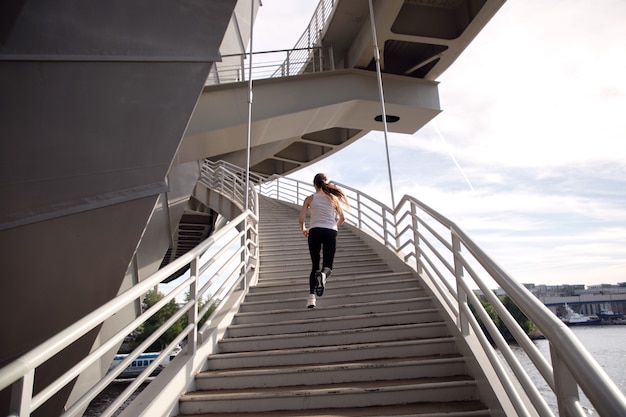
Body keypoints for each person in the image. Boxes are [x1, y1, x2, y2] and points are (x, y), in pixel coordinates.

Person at [298, 173, 348, 308]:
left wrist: (304, 229)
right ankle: (324, 276)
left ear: (314, 184)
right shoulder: (333, 199)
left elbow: (301, 219)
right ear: (326, 183)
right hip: (330, 231)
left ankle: (311, 299)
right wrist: (333, 227)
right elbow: (342, 218)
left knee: (315, 265)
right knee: (328, 267)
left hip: (314, 231)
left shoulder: (309, 198)